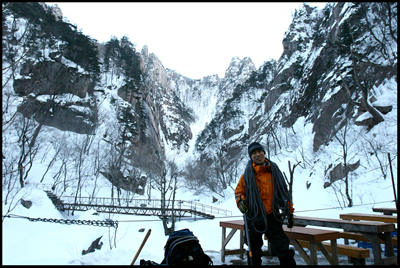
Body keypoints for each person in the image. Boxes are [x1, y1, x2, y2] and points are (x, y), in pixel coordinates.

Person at [235, 142, 296, 266]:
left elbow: (284, 194)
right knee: (254, 250)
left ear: (264, 153)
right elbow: (239, 192)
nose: (258, 155)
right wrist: (241, 201)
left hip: (272, 216)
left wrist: (290, 211)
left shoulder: (274, 173)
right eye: (254, 153)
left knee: (283, 248)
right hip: (254, 217)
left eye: (259, 152)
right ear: (251, 157)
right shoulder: (246, 176)